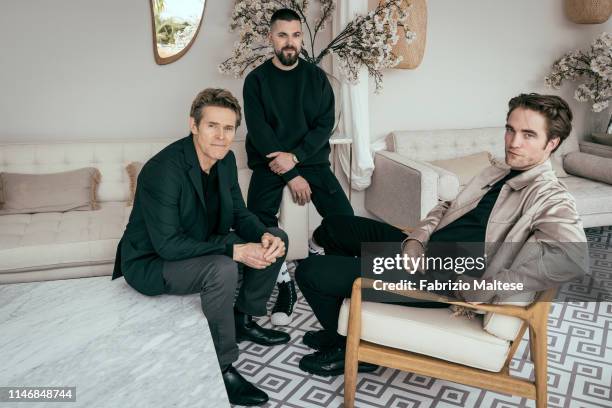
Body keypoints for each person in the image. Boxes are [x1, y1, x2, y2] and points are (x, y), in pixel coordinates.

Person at [295, 93, 589, 376]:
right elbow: (447, 206)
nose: (513, 142)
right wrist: (415, 240)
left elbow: (572, 258)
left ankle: (351, 349)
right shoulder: (498, 172)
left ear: (552, 143)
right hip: (424, 253)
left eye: (528, 135)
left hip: (442, 278)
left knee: (310, 271)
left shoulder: (550, 196)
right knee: (335, 226)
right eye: (510, 130)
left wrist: (492, 284)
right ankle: (343, 329)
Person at [112, 88, 290, 406]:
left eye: (229, 128)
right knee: (221, 268)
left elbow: (238, 211)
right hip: (151, 260)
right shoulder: (162, 170)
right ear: (194, 125)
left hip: (202, 242)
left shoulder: (225, 159)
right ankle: (221, 367)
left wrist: (264, 235)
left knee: (279, 236)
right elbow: (167, 244)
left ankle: (244, 319)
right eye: (212, 126)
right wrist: (234, 251)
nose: (221, 136)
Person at [243, 8, 355, 326]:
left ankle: (335, 274)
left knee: (345, 221)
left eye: (294, 35)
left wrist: (295, 160)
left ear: (301, 37)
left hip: (312, 160)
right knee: (256, 221)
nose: (289, 42)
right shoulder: (256, 81)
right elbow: (260, 131)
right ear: (271, 38)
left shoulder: (316, 78)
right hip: (269, 164)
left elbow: (324, 126)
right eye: (282, 35)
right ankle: (284, 285)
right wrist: (290, 173)